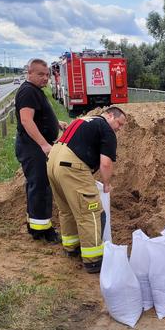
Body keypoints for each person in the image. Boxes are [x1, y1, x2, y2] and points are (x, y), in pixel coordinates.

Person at [47, 106, 126, 273]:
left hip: (53, 162)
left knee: (67, 209)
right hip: (72, 167)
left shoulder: (84, 120)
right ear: (110, 115)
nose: (120, 128)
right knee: (90, 212)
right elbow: (106, 163)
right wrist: (106, 183)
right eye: (119, 123)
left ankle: (71, 248)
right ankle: (93, 260)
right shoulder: (106, 129)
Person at [15, 58, 67, 243]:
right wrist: (44, 145)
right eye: (40, 74)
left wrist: (56, 123)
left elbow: (36, 117)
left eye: (47, 75)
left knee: (38, 186)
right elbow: (27, 120)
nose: (45, 78)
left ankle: (36, 225)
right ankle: (41, 231)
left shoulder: (35, 91)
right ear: (29, 73)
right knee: (40, 187)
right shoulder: (28, 92)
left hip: (34, 146)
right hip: (33, 148)